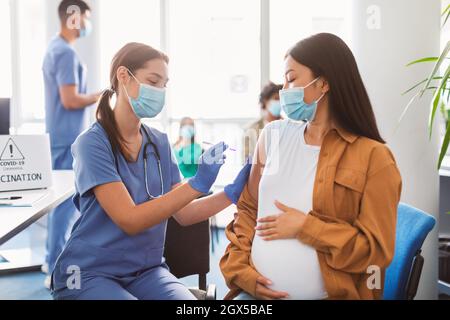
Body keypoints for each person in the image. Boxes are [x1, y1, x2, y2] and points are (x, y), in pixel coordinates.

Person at [51, 42, 251, 300]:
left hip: (146, 271)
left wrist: (233, 192)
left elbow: (185, 214)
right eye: (153, 81)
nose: (160, 91)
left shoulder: (158, 142)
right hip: (88, 272)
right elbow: (130, 220)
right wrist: (196, 183)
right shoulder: (92, 143)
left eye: (164, 84)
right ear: (124, 76)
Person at [220, 33, 402, 300]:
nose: (283, 90)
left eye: (291, 79)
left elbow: (374, 251)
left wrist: (306, 227)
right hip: (253, 295)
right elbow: (248, 209)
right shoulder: (272, 136)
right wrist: (242, 273)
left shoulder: (375, 158)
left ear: (324, 83)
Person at [42, 0, 101, 288]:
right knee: (65, 204)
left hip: (60, 136)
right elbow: (69, 99)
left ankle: (52, 262)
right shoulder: (64, 53)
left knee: (63, 205)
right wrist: (99, 95)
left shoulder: (56, 48)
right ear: (74, 18)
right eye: (86, 18)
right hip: (66, 138)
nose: (88, 24)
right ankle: (56, 268)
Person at [242, 82, 283, 160]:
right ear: (265, 101)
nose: (279, 102)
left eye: (281, 99)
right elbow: (246, 160)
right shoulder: (251, 129)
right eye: (276, 99)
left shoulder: (289, 126)